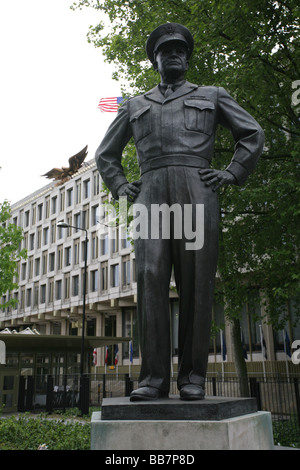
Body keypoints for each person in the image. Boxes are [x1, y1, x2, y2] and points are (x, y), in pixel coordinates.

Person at [95, 23, 264, 401]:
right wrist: (121, 185)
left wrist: (232, 172)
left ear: (187, 57)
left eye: (179, 51)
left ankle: (192, 377)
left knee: (195, 282)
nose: (173, 55)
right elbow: (106, 154)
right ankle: (152, 379)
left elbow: (251, 134)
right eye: (165, 51)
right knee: (150, 277)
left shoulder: (213, 95)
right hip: (150, 192)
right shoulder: (135, 105)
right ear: (155, 59)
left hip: (197, 188)